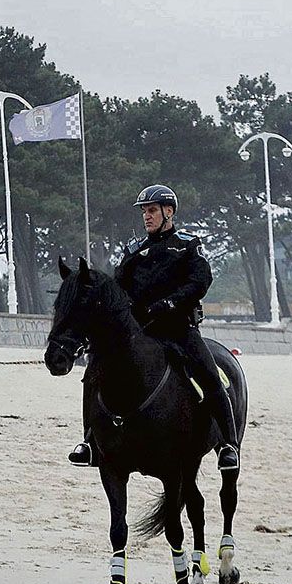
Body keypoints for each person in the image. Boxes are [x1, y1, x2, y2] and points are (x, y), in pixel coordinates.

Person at [68, 184, 241, 472]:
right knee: (94, 372)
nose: (146, 217)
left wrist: (171, 303)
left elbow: (200, 281)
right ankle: (89, 442)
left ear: (168, 212)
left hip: (178, 328)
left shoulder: (187, 245)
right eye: (144, 212)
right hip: (141, 331)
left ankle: (228, 445)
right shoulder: (135, 250)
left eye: (152, 210)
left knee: (209, 374)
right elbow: (118, 288)